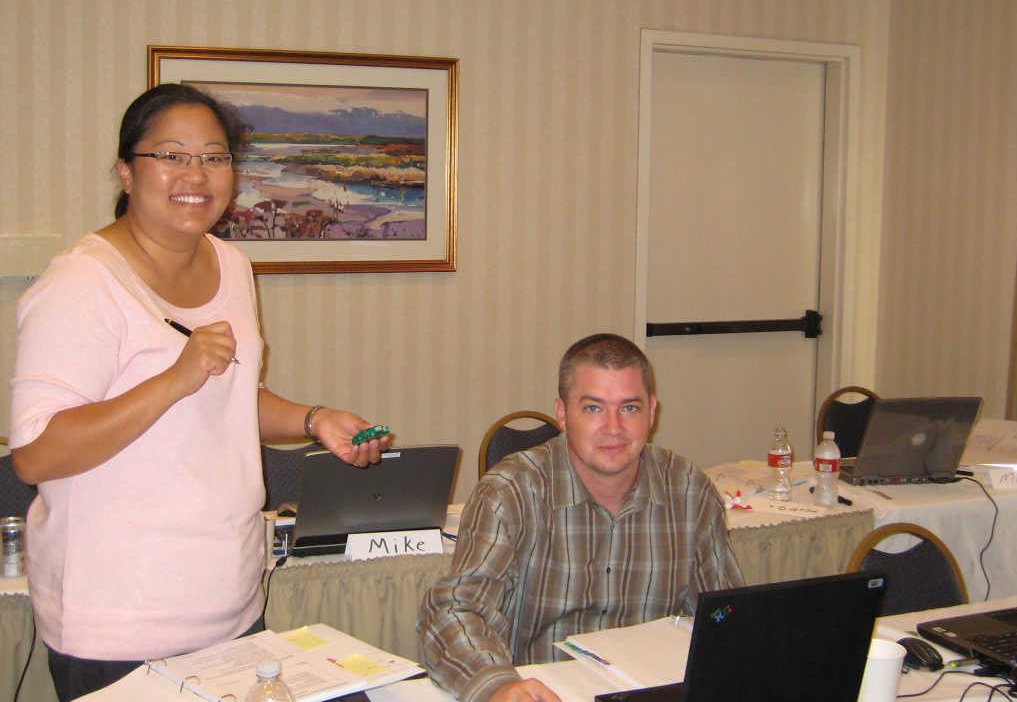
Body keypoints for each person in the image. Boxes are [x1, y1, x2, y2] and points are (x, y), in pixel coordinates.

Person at [8, 83, 389, 701]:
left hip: (231, 602)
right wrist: (174, 379)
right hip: (119, 623)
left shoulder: (231, 264)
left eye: (215, 157)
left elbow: (232, 400)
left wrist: (313, 419)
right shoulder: (81, 283)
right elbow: (36, 454)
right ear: (126, 171)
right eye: (171, 155)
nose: (196, 175)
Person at [419, 333, 743, 702]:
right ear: (562, 414)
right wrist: (497, 685)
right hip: (545, 691)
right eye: (593, 408)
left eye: (629, 408)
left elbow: (722, 610)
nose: (613, 428)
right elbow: (454, 611)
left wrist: (727, 632)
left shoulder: (689, 490)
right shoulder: (511, 492)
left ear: (652, 411)